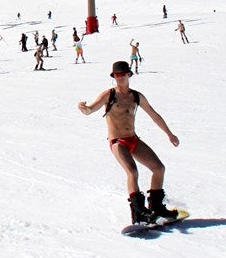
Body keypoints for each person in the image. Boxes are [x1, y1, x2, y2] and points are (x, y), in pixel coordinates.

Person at [77, 61, 181, 224]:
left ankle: (156, 207)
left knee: (159, 168)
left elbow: (154, 115)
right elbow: (91, 109)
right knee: (132, 172)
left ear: (129, 75)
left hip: (133, 139)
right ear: (114, 77)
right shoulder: (109, 95)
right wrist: (85, 109)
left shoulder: (136, 96)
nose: (121, 77)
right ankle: (138, 212)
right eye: (117, 75)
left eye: (123, 74)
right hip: (118, 142)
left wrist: (169, 134)